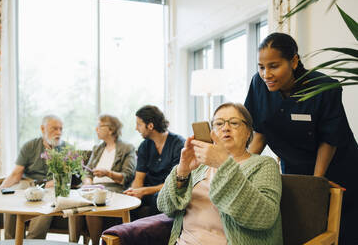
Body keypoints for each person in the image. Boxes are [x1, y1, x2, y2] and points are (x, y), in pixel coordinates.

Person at [244, 32, 358, 244]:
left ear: (294, 61)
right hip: (294, 167)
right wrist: (242, 169)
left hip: (336, 167)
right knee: (300, 229)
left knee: (341, 231)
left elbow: (329, 140)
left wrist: (317, 184)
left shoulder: (324, 87)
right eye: (261, 67)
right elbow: (260, 133)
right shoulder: (258, 85)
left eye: (274, 66)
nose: (266, 74)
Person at [157, 103, 283, 245]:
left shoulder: (264, 164)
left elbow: (264, 217)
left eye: (234, 123)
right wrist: (182, 171)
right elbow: (165, 207)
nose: (225, 128)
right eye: (218, 123)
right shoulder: (199, 166)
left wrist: (223, 164)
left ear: (248, 132)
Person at [0, 115, 67, 239]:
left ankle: (33, 241)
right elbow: (16, 174)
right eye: (54, 129)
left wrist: (55, 182)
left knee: (49, 204)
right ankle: (11, 240)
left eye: (61, 129)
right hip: (29, 184)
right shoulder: (30, 146)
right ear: (42, 128)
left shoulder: (66, 149)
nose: (59, 133)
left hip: (52, 187)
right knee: (12, 199)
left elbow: (69, 176)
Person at [79, 114, 136, 245]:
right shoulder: (98, 148)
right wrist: (88, 183)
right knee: (74, 202)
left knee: (91, 203)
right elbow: (87, 172)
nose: (96, 129)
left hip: (113, 187)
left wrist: (107, 173)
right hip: (92, 188)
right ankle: (73, 242)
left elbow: (127, 176)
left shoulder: (127, 148)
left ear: (111, 129)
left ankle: (94, 243)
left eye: (99, 126)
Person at [124, 105, 185, 220]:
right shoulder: (145, 146)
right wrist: (133, 193)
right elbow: (139, 179)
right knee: (127, 199)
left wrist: (143, 191)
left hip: (169, 190)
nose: (136, 128)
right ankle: (126, 235)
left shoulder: (178, 144)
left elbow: (175, 183)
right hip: (148, 190)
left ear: (150, 126)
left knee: (158, 198)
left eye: (139, 124)